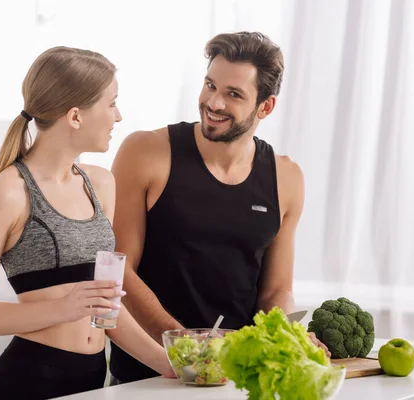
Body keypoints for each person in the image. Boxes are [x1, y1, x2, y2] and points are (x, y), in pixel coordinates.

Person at [0, 46, 173, 400]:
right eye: (111, 103)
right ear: (75, 116)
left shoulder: (100, 184)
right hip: (28, 381)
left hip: (92, 379)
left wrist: (169, 364)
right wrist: (62, 309)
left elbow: (106, 308)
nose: (118, 116)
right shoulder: (8, 193)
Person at [109, 31, 329, 385]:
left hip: (233, 380)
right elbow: (119, 269)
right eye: (210, 85)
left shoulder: (286, 177)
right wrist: (185, 345)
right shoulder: (146, 152)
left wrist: (291, 335)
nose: (214, 102)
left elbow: (275, 291)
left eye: (233, 94)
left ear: (265, 106)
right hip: (146, 378)